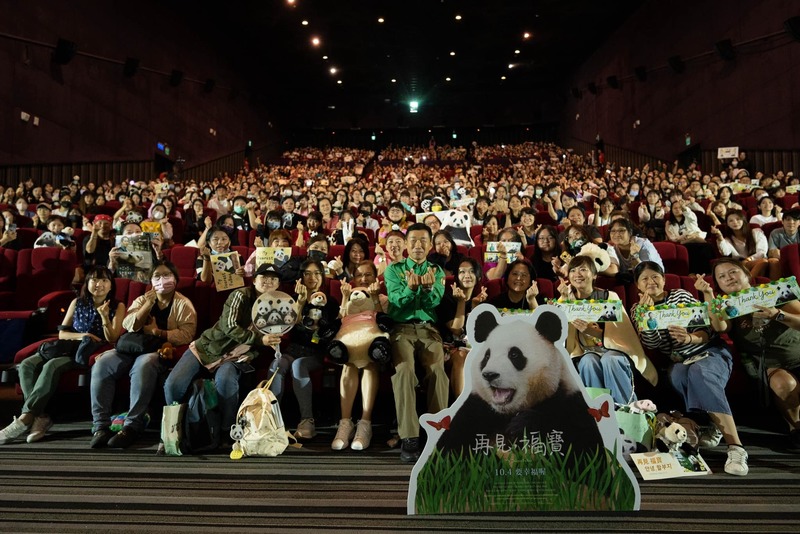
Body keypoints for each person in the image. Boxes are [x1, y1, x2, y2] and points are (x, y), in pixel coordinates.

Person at [633, 261, 749, 475]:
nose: (651, 282)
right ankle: (711, 424)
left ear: (664, 279)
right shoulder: (637, 308)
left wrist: (689, 338)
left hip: (708, 351)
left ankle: (736, 447)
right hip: (679, 361)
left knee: (699, 372)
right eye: (645, 279)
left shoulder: (680, 296)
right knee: (678, 376)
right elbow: (653, 344)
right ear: (638, 286)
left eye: (655, 276)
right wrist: (646, 314)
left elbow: (707, 329)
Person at [0, 267, 125, 445]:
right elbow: (62, 333)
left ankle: (26, 417)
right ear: (87, 283)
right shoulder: (77, 303)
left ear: (111, 285)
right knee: (27, 364)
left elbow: (112, 337)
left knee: (52, 365)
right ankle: (40, 416)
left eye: (104, 280)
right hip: (67, 346)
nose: (99, 284)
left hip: (87, 352)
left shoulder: (117, 306)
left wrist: (104, 317)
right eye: (94, 280)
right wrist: (84, 335)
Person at [163, 263, 282, 448]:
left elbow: (270, 340)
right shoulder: (240, 295)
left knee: (226, 381)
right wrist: (259, 340)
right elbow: (230, 326)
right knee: (173, 385)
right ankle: (174, 431)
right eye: (264, 278)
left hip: (235, 357)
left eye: (273, 279)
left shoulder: (277, 307)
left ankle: (227, 431)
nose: (268, 282)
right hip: (207, 348)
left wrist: (253, 351)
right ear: (254, 280)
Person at [90, 261, 197, 449]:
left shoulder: (183, 304)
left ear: (175, 279)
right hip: (132, 346)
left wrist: (158, 333)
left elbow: (187, 334)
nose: (162, 280)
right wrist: (147, 305)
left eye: (166, 275)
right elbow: (129, 324)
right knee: (103, 363)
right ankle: (100, 425)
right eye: (157, 276)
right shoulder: (143, 299)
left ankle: (132, 425)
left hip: (157, 350)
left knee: (144, 364)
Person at [704, 258, 800, 450]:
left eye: (733, 272)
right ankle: (795, 426)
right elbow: (719, 326)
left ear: (747, 274)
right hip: (772, 364)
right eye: (722, 277)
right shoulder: (726, 306)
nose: (729, 278)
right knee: (784, 385)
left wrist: (778, 315)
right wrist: (708, 294)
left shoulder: (774, 292)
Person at [385, 223, 447, 463]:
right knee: (404, 372)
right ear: (406, 244)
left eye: (423, 241)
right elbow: (396, 301)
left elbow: (433, 304)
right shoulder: (394, 270)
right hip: (401, 331)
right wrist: (412, 290)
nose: (418, 246)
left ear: (430, 245)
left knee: (437, 373)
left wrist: (427, 289)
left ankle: (438, 434)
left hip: (429, 331)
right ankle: (409, 437)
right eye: (413, 241)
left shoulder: (436, 271)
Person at [557, 256, 656, 405]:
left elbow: (623, 335)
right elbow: (560, 337)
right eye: (573, 270)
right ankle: (598, 412)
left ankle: (625, 410)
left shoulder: (609, 296)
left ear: (594, 274)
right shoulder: (566, 299)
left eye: (583, 269)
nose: (577, 274)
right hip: (585, 353)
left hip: (615, 351)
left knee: (610, 359)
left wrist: (592, 332)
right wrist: (564, 300)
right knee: (587, 362)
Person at [269, 259, 340, 439]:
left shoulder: (329, 302)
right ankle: (270, 419)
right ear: (301, 277)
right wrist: (300, 302)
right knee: (277, 364)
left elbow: (334, 328)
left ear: (322, 277)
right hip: (293, 349)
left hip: (315, 352)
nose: (312, 277)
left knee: (298, 365)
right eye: (307, 273)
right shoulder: (293, 299)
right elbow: (289, 324)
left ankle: (307, 420)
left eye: (316, 273)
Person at [331, 261, 388, 451]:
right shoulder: (349, 298)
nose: (364, 279)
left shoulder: (381, 297)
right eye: (359, 275)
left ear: (375, 277)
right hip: (350, 347)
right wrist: (344, 297)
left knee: (369, 365)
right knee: (348, 365)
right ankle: (345, 423)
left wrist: (374, 298)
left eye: (368, 275)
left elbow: (385, 322)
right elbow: (338, 322)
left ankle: (365, 423)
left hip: (373, 349)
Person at [436, 257, 487, 397]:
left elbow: (478, 334)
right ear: (457, 277)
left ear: (478, 276)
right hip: (450, 348)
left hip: (473, 347)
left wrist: (476, 307)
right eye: (462, 272)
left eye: (471, 272)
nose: (467, 275)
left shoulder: (480, 301)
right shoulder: (446, 299)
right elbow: (456, 329)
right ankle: (460, 407)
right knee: (461, 355)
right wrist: (461, 302)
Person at [711, 209, 779, 279]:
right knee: (763, 262)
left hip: (757, 258)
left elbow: (762, 251)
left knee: (774, 261)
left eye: (738, 219)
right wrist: (720, 237)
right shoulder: (728, 240)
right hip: (741, 263)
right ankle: (748, 284)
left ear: (743, 220)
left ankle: (775, 286)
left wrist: (749, 259)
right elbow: (725, 252)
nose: (735, 222)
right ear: (727, 224)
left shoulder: (756, 232)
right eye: (731, 221)